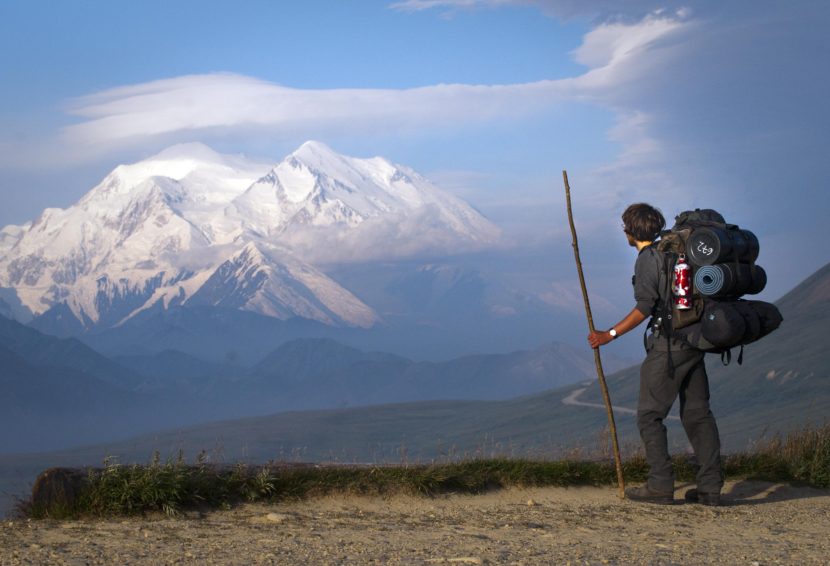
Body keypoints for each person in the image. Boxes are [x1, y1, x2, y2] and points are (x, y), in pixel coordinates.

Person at [587, 203, 723, 506]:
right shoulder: (677, 250)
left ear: (630, 231)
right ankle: (710, 488)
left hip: (669, 346)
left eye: (625, 226)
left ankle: (660, 485)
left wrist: (608, 335)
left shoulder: (649, 259)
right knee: (698, 415)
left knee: (649, 415)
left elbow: (644, 308)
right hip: (695, 340)